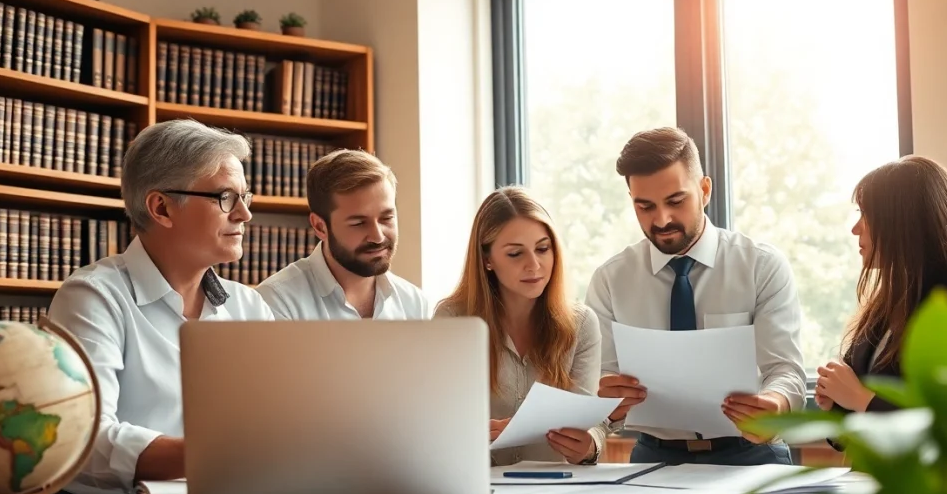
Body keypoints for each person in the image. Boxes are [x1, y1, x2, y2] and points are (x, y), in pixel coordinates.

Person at [44, 119, 274, 494]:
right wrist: (214, 455)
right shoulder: (93, 297)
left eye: (245, 197)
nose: (244, 215)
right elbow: (82, 437)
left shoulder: (249, 306)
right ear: (162, 207)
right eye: (225, 198)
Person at [585, 126, 806, 466]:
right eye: (644, 206)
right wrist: (606, 397)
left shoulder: (761, 266)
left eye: (676, 201)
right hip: (652, 458)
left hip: (754, 454)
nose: (662, 219)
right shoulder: (611, 280)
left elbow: (785, 371)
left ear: (704, 190)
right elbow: (599, 387)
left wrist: (774, 404)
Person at [813, 155, 947, 446]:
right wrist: (834, 402)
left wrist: (861, 400)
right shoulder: (883, 310)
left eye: (866, 215)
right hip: (879, 484)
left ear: (904, 224)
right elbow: (849, 435)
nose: (856, 228)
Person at [434, 187, 605, 466]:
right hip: (480, 487)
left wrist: (589, 447)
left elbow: (591, 424)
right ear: (487, 259)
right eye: (515, 254)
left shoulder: (582, 324)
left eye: (542, 249)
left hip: (556, 489)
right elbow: (439, 421)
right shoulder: (454, 319)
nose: (534, 265)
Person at [255, 148, 429, 320]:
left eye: (386, 218)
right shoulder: (276, 303)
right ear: (320, 227)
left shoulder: (414, 303)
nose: (378, 237)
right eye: (359, 223)